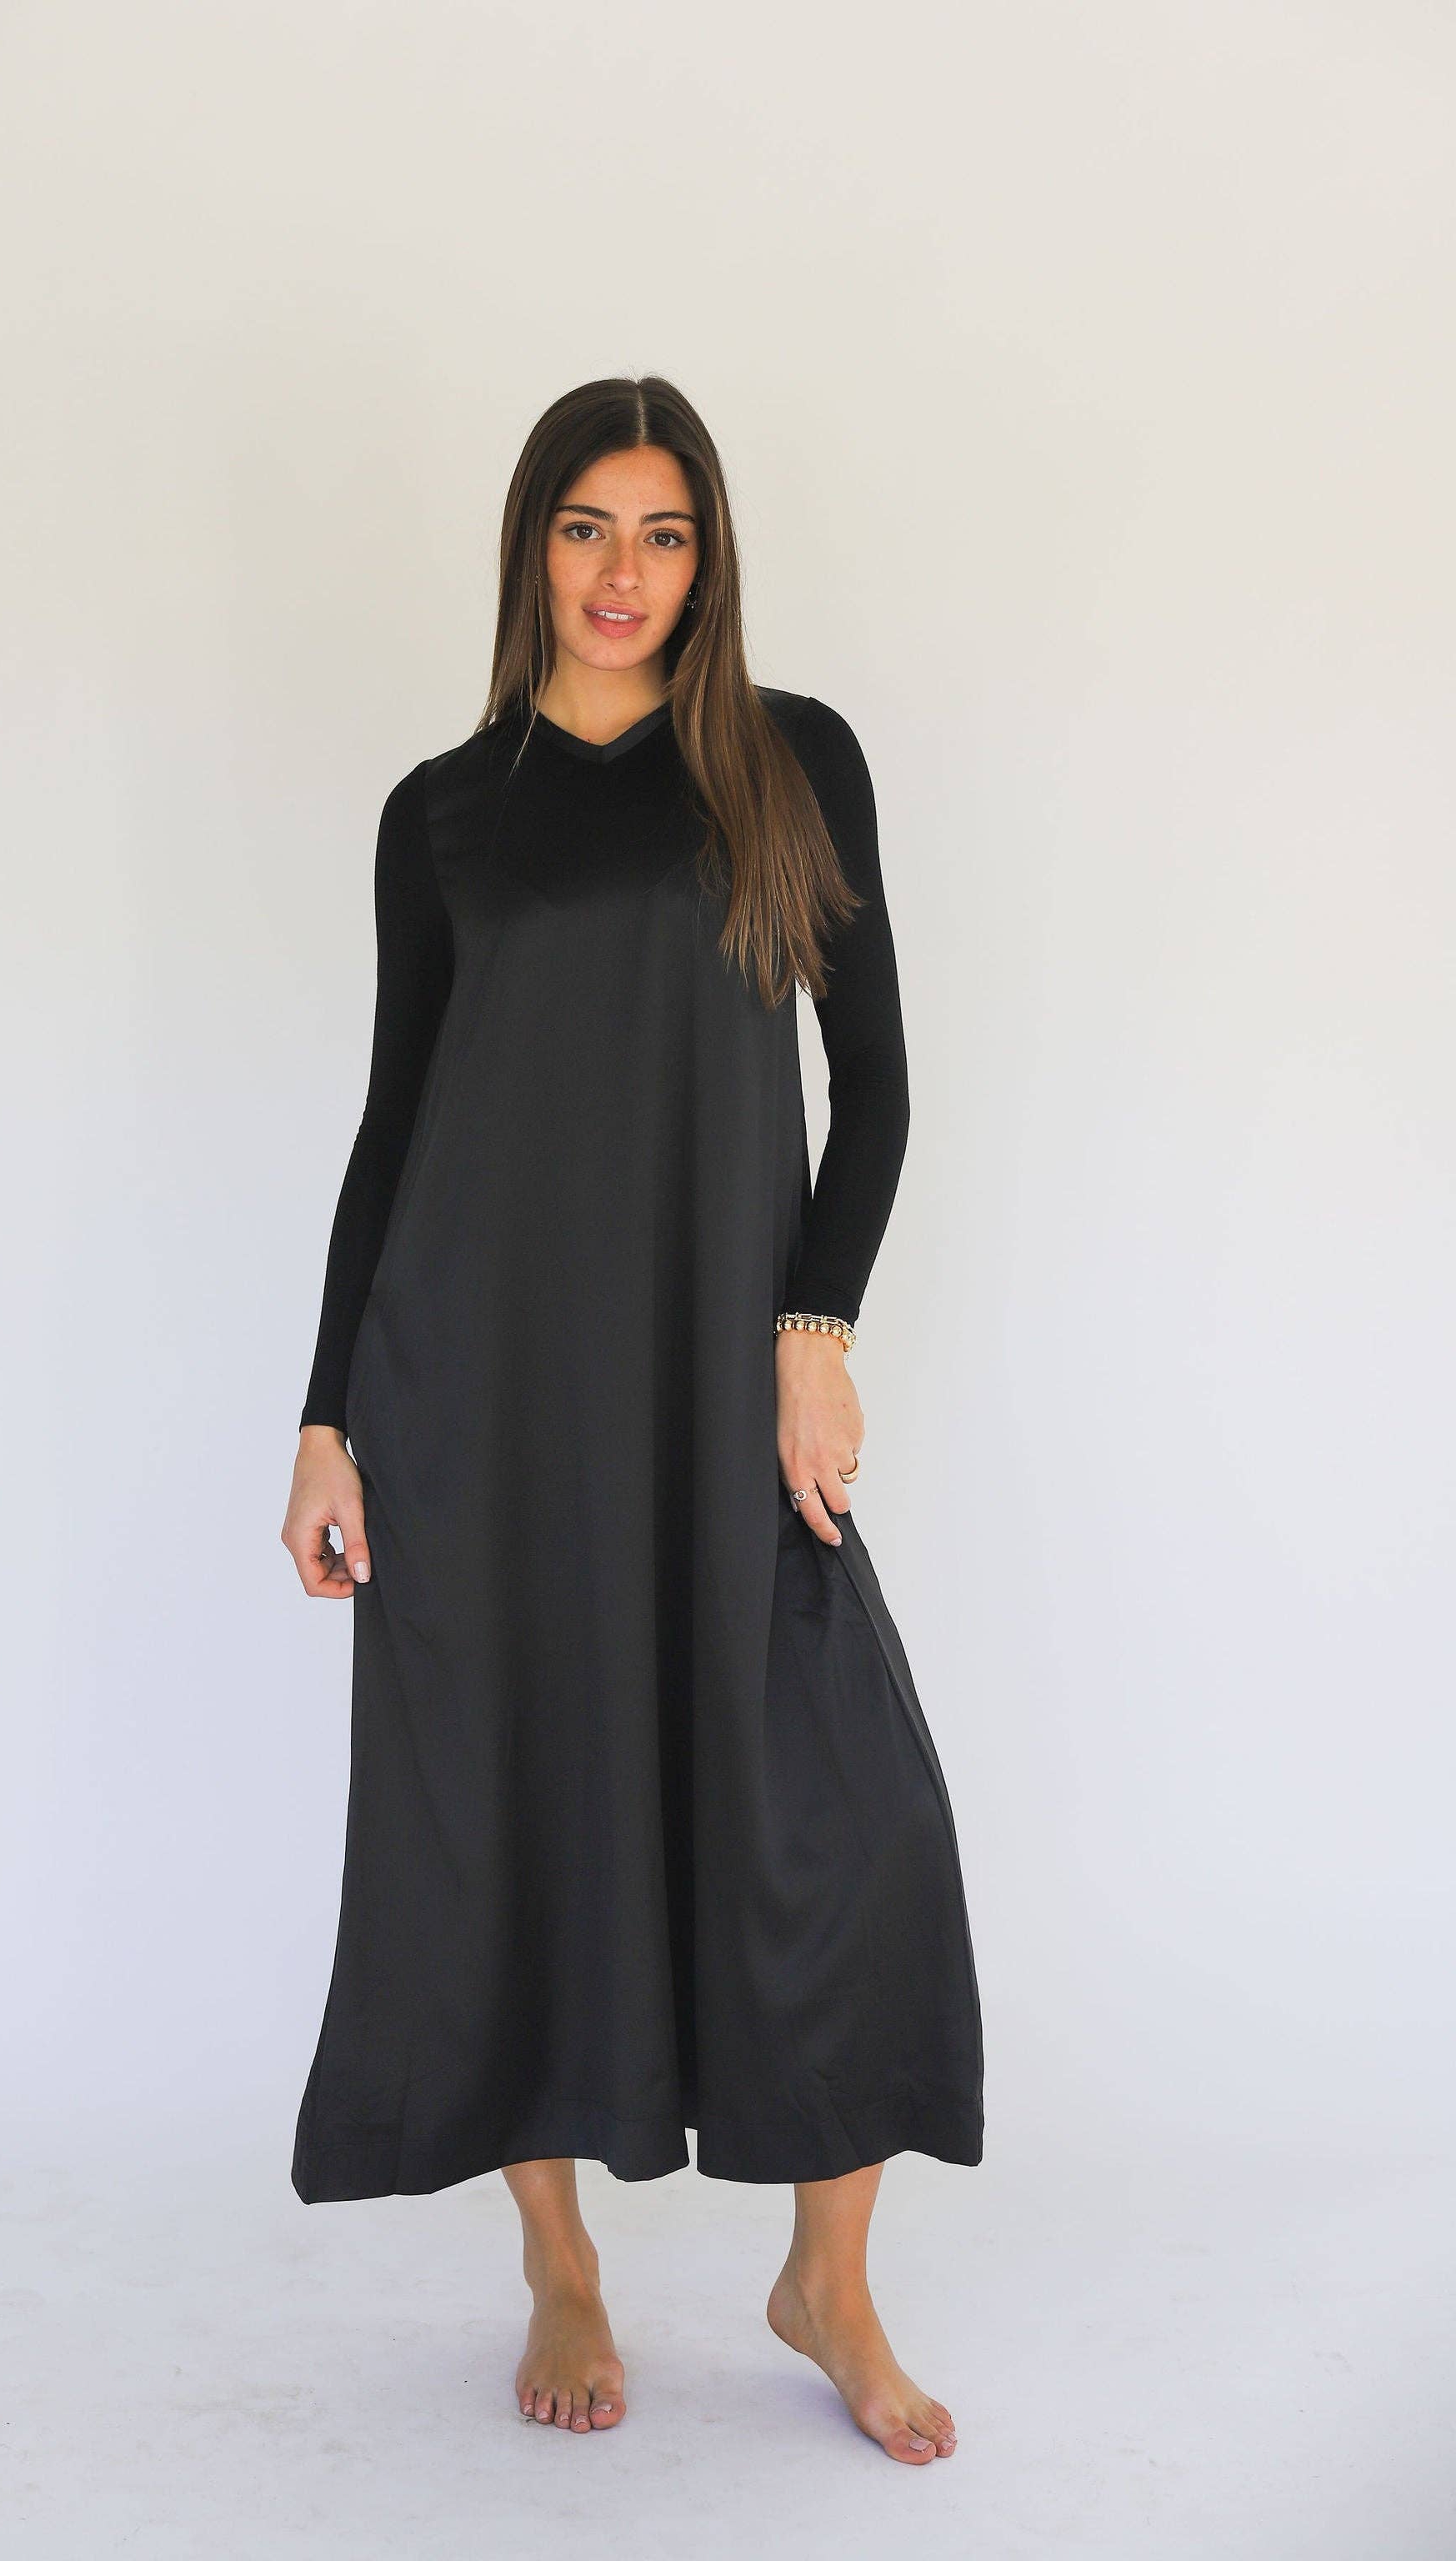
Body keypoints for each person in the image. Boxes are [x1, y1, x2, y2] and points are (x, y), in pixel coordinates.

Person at [280, 377, 983, 2463]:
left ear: (710, 558)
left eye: (664, 533)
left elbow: (878, 1083)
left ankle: (824, 2277)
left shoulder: (786, 760)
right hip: (480, 1392)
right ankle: (557, 2253)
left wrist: (813, 1327)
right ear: (531, 545)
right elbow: (397, 1121)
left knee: (846, 1812)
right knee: (512, 1794)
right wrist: (326, 1419)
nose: (622, 573)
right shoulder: (445, 812)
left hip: (714, 1379)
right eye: (586, 526)